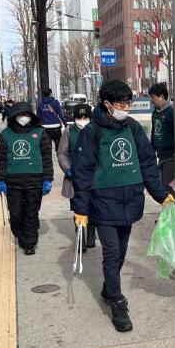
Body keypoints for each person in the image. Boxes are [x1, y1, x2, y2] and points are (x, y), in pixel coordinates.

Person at [71, 80, 175, 332]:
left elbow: (148, 163)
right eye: (121, 103)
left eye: (128, 102)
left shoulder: (133, 128)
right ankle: (118, 303)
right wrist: (81, 210)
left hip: (130, 202)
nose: (126, 107)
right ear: (107, 104)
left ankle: (109, 288)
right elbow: (82, 174)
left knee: (121, 251)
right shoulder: (92, 132)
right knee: (111, 252)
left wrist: (161, 195)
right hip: (103, 202)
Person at [0, 102, 54, 255]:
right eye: (21, 114)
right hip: (13, 182)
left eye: (27, 114)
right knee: (15, 214)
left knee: (31, 213)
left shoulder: (39, 133)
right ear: (14, 116)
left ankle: (29, 243)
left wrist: (48, 178)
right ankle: (21, 234)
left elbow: (47, 158)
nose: (24, 117)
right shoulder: (6, 134)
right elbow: (1, 159)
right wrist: (0, 179)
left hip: (35, 181)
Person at [57, 103, 97, 249]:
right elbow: (62, 153)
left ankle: (91, 234)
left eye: (86, 117)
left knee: (93, 206)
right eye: (79, 117)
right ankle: (80, 236)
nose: (82, 120)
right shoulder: (69, 132)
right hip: (74, 177)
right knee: (77, 206)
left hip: (93, 176)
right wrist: (67, 168)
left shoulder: (95, 131)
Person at [149, 83, 175, 188]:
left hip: (171, 156)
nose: (151, 100)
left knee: (168, 186)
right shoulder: (155, 113)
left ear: (162, 97)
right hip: (160, 155)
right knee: (160, 184)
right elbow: (154, 131)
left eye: (153, 97)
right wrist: (152, 149)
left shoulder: (171, 112)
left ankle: (171, 199)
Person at [37, 87, 67, 152]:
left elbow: (38, 117)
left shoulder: (40, 104)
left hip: (45, 128)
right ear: (51, 94)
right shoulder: (55, 102)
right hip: (56, 127)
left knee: (47, 147)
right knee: (59, 146)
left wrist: (38, 126)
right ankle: (59, 157)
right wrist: (65, 123)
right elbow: (60, 114)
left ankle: (49, 158)